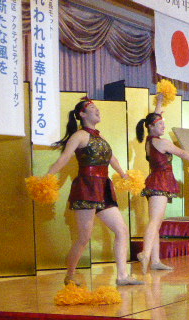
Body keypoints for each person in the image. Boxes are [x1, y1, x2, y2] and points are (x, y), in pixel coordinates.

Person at [48, 97, 143, 286]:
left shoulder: (100, 137)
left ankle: (122, 276)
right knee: (84, 238)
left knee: (122, 230)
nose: (97, 110)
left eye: (97, 107)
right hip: (86, 188)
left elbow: (112, 158)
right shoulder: (79, 135)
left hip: (103, 188)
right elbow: (64, 158)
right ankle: (70, 275)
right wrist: (47, 177)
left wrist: (124, 174)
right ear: (82, 114)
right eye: (92, 107)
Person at [135, 95, 189, 274]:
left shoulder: (150, 140)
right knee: (155, 221)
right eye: (160, 124)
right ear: (151, 126)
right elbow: (182, 153)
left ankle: (155, 260)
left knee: (156, 222)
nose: (163, 126)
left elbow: (153, 119)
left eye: (163, 124)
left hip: (155, 181)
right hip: (160, 182)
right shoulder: (161, 142)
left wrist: (158, 104)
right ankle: (145, 253)